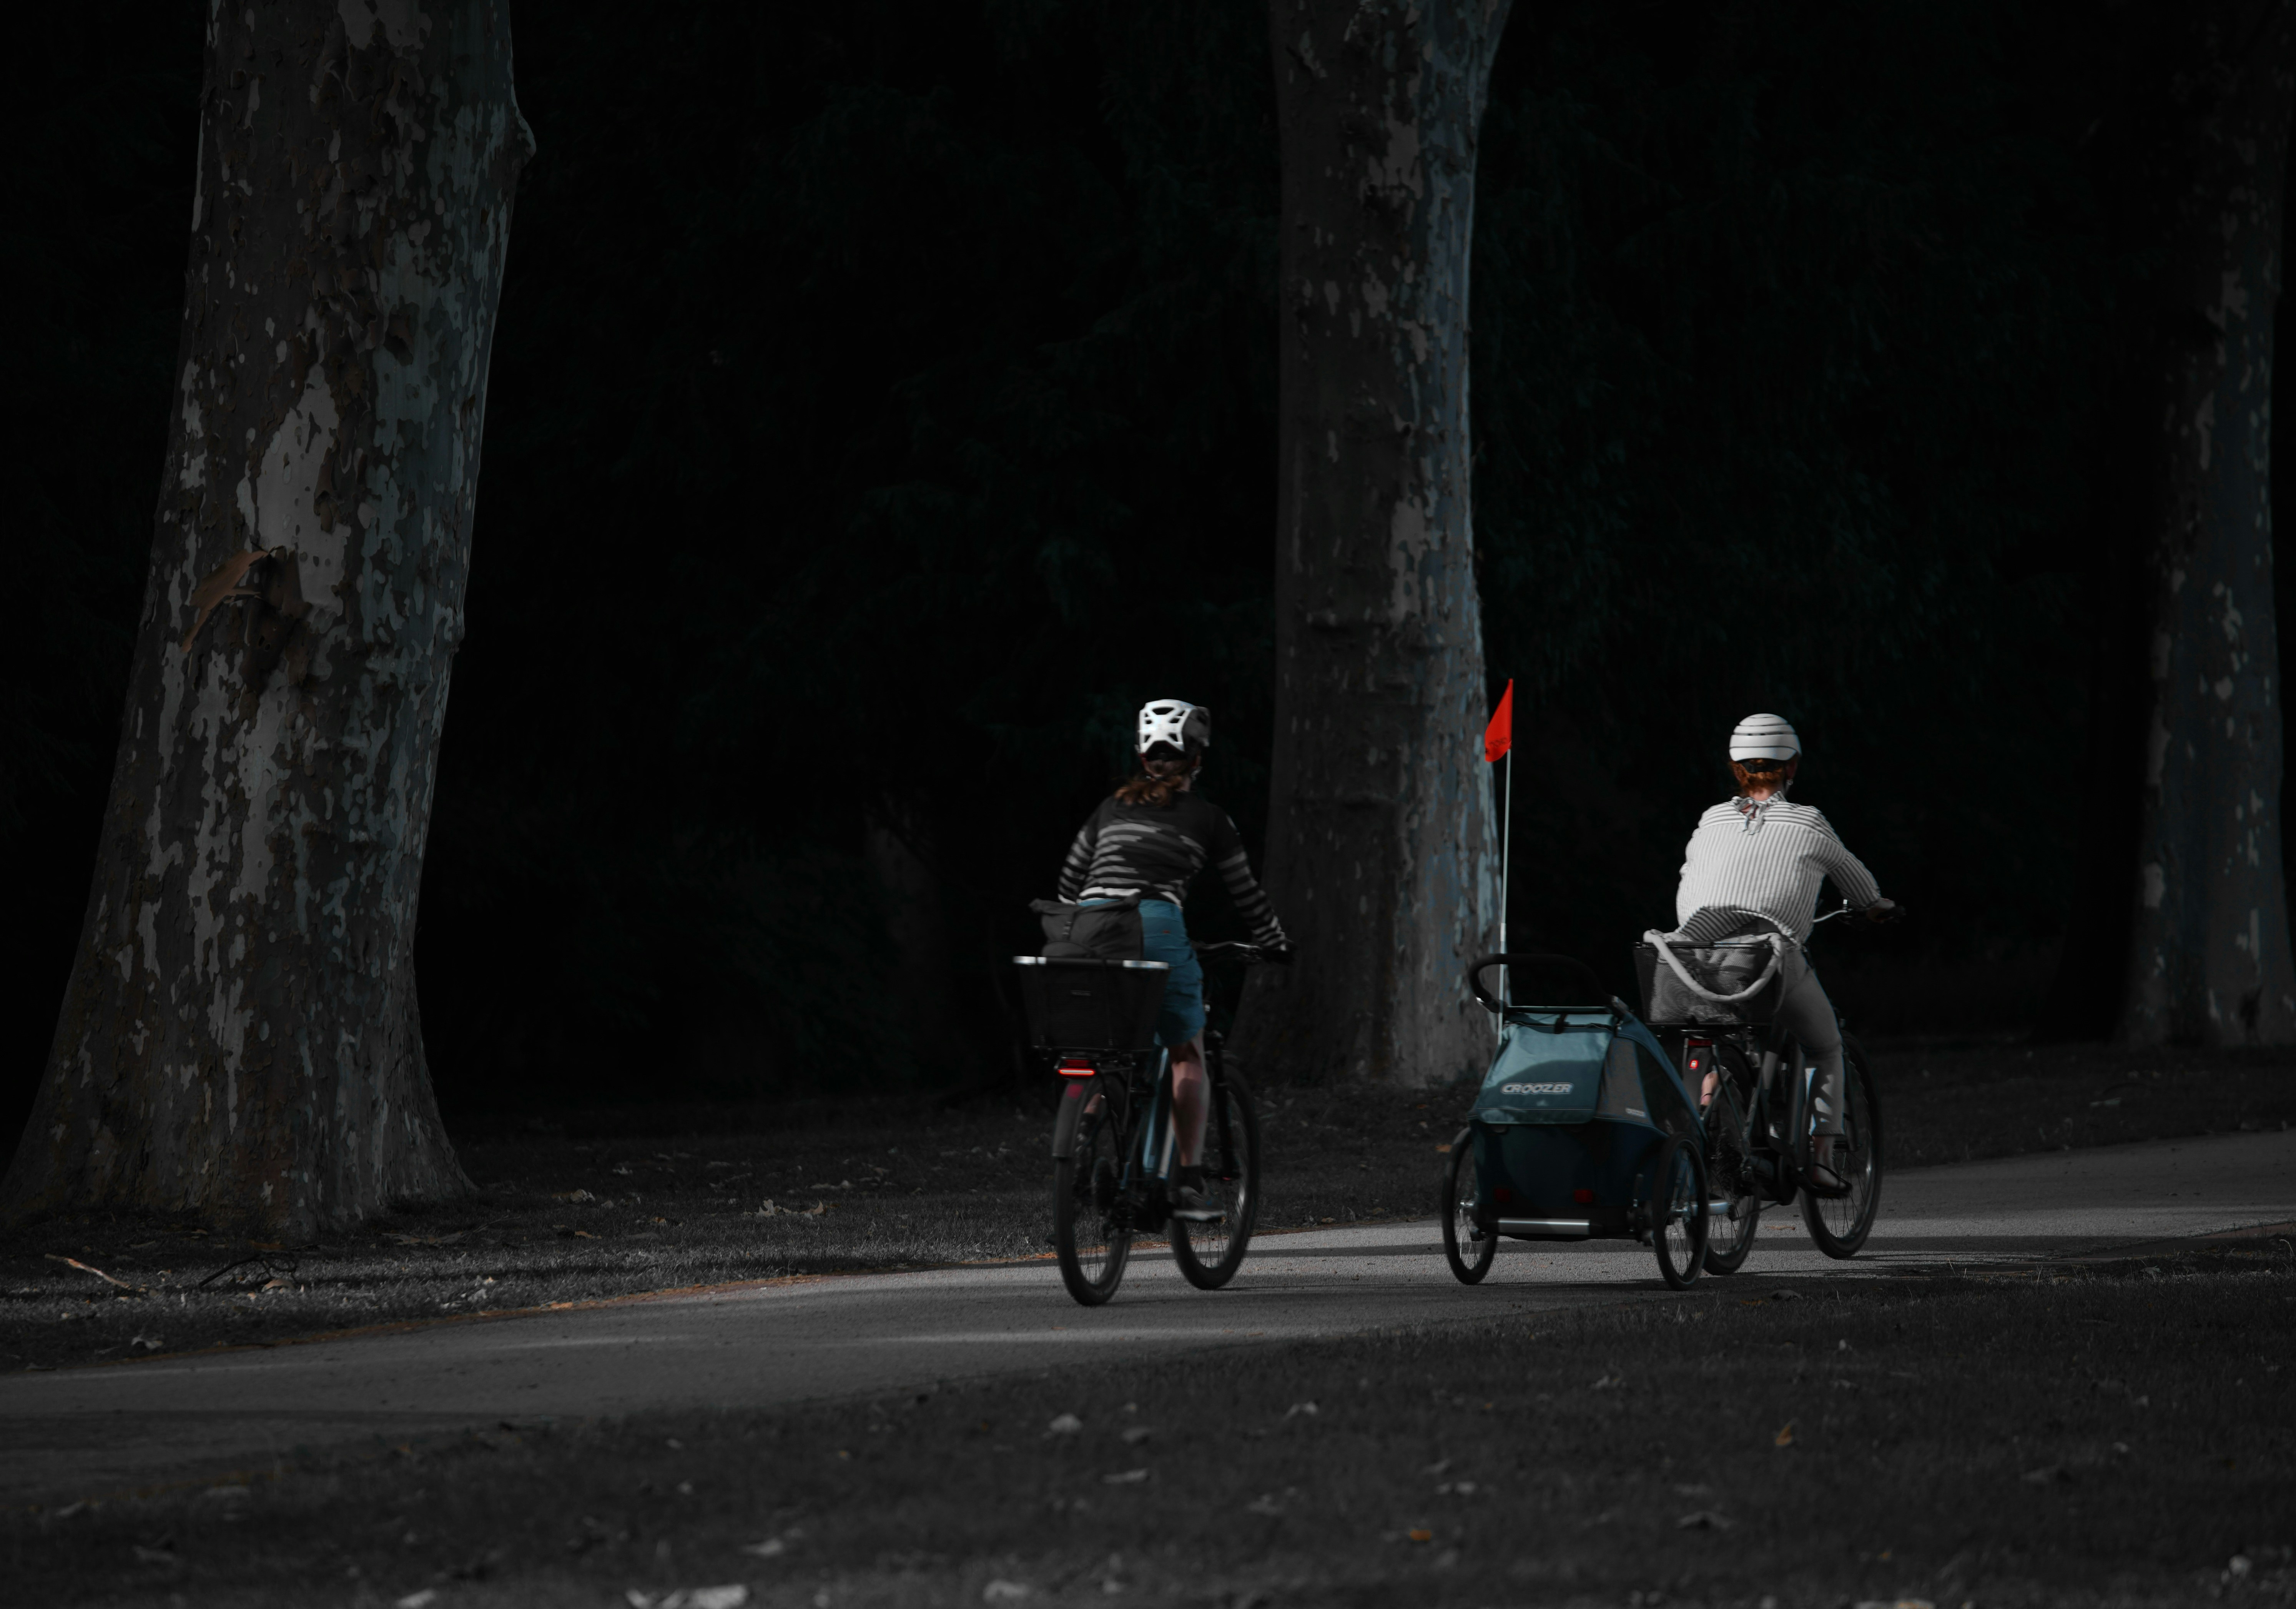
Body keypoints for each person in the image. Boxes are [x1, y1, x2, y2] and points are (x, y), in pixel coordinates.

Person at [1056, 699, 1289, 1220]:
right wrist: (1273, 940)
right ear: (1197, 758)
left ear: (1143, 757)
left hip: (1087, 929)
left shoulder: (1110, 808)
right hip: (1156, 926)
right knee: (1187, 1053)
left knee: (1110, 1047)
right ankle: (1188, 1180)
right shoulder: (1209, 819)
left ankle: (1087, 1130)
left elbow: (1071, 880)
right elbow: (1245, 894)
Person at [1669, 714, 1895, 1192]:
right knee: (1825, 1045)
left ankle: (1710, 1118)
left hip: (1692, 958)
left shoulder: (1713, 817)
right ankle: (1820, 1161)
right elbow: (1861, 886)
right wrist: (1875, 908)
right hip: (1766, 957)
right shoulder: (1809, 820)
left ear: (1736, 770)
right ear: (1792, 768)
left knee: (1712, 1035)